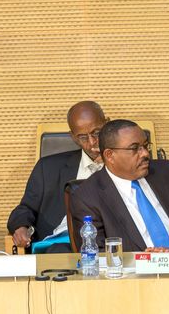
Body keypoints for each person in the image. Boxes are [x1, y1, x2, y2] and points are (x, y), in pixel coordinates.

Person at [70, 119, 169, 252]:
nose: (145, 154)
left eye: (146, 146)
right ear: (110, 155)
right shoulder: (87, 197)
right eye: (135, 149)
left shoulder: (166, 173)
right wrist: (141, 260)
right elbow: (95, 255)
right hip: (138, 283)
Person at [7, 101, 107, 253]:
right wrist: (21, 227)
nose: (92, 142)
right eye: (83, 137)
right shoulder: (48, 168)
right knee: (59, 253)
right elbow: (25, 209)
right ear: (73, 137)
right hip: (62, 245)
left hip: (110, 241)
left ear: (107, 124)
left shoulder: (127, 164)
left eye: (97, 133)